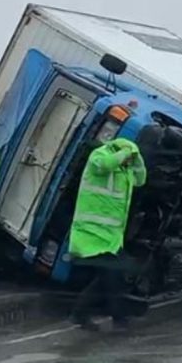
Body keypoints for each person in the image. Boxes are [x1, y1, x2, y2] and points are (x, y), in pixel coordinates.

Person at [68, 137, 147, 331]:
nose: (129, 161)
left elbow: (141, 179)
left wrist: (137, 159)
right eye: (128, 157)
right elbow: (104, 165)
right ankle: (119, 318)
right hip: (90, 231)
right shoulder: (100, 154)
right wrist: (125, 153)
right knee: (113, 276)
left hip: (110, 235)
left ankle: (79, 314)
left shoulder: (125, 169)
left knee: (107, 277)